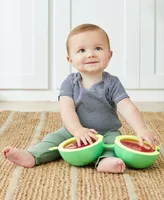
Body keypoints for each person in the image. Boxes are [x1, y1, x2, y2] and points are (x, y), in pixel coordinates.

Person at [2, 24, 159, 173]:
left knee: (114, 144)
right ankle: (33, 156)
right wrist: (77, 130)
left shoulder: (112, 83)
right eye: (82, 50)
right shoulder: (70, 83)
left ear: (109, 55)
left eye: (98, 48)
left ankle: (105, 161)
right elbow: (67, 109)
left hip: (106, 132)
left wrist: (141, 129)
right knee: (53, 139)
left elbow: (127, 106)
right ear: (70, 59)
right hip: (73, 131)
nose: (90, 54)